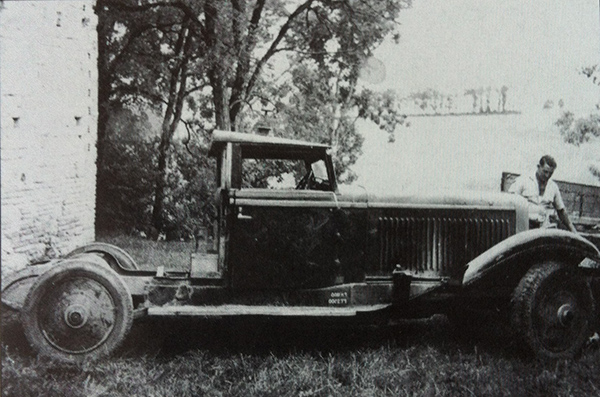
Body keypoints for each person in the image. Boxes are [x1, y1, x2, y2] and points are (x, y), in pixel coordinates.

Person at [509, 155, 577, 233]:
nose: (547, 175)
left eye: (550, 173)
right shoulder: (523, 181)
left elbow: (561, 211)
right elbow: (510, 201)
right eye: (545, 171)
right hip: (523, 228)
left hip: (542, 230)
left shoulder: (553, 187)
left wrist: (573, 230)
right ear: (538, 167)